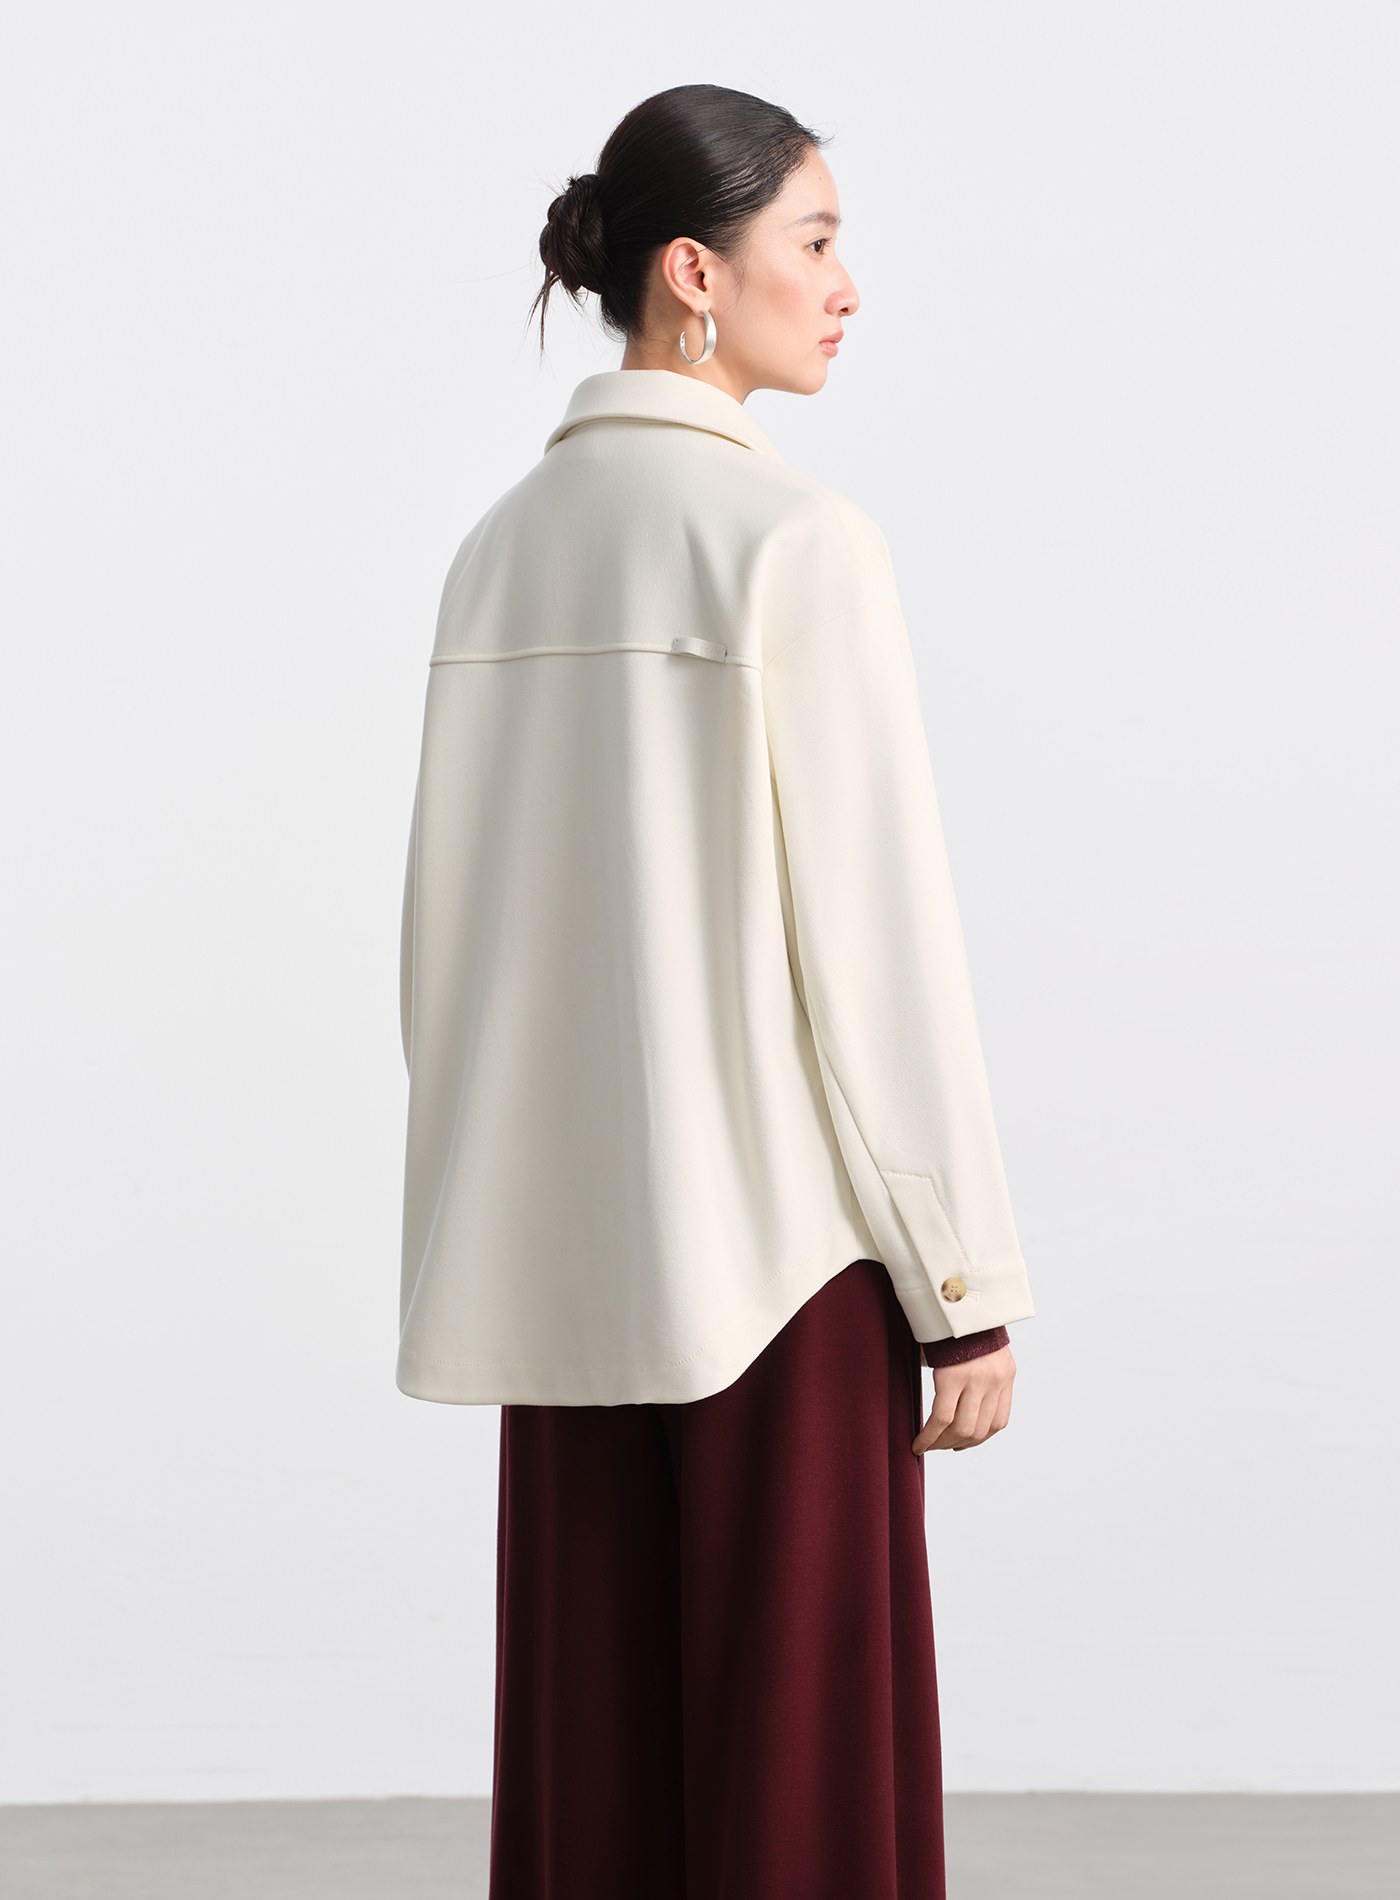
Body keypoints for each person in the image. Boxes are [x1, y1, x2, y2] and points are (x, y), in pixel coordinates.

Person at [397, 82, 1037, 1900]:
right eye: (814, 241)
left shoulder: (496, 550)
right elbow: (875, 946)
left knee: (595, 1794)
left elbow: (447, 939)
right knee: (797, 1801)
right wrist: (964, 1287)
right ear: (695, 272)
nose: (846, 286)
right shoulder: (794, 543)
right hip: (785, 1273)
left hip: (564, 1274)